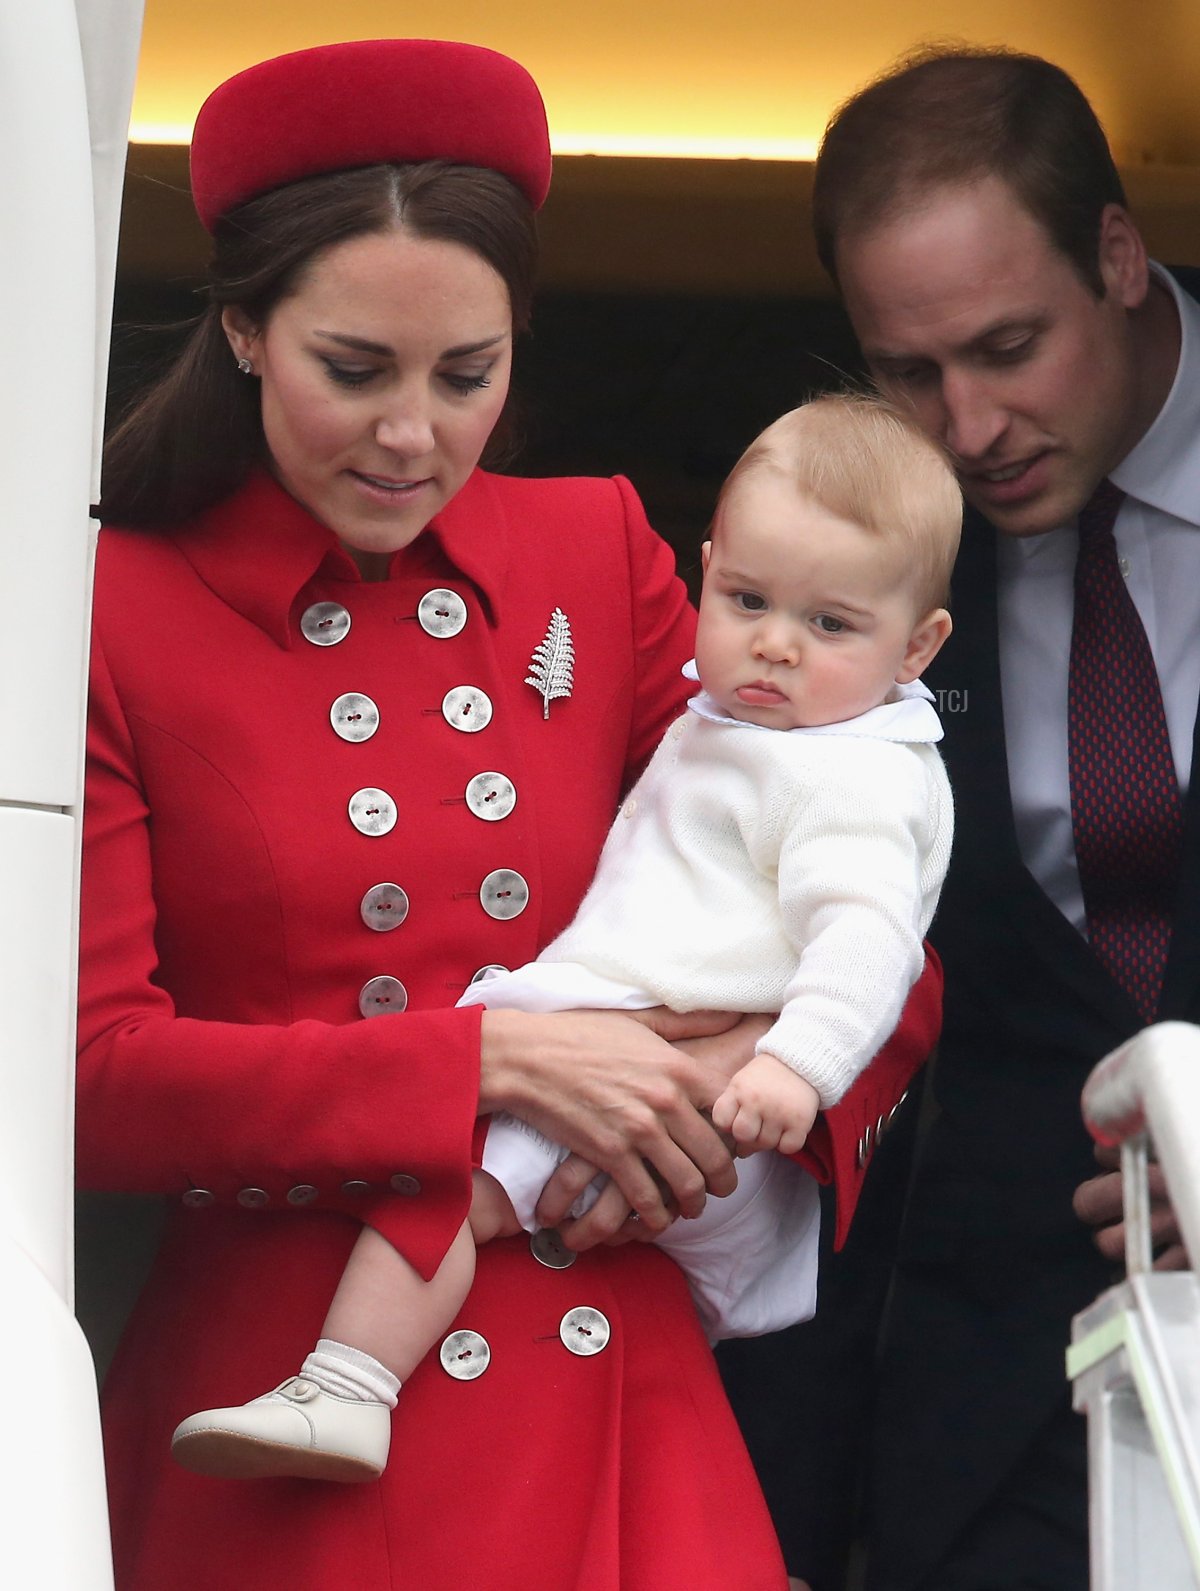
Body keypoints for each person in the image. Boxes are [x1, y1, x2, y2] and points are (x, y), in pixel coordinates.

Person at [76, 39, 942, 1591]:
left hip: (609, 1354)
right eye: (358, 370)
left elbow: (866, 899)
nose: (417, 434)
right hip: (292, 1401)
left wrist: (740, 1080)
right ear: (242, 332)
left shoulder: (592, 546)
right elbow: (88, 1082)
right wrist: (485, 1057)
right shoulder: (106, 608)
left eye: (468, 374)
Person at [167, 393, 960, 1486]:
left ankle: (348, 1383)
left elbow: (883, 949)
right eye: (745, 600)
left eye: (830, 625)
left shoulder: (830, 756)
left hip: (689, 1118)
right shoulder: (751, 709)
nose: (774, 644)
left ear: (919, 647)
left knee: (448, 1173)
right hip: (594, 1095)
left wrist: (778, 1064)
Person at [761, 44, 1200, 1591]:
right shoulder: (833, 535)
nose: (967, 423)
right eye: (907, 371)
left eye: (1012, 346)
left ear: (1118, 253)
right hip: (1002, 1401)